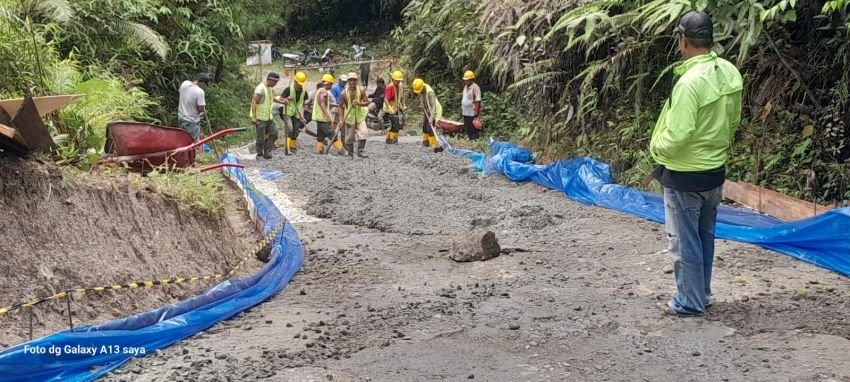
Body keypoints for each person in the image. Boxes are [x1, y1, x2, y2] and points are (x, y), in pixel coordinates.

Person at [649, 11, 743, 316]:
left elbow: (678, 134)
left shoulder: (690, 82)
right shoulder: (729, 72)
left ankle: (689, 301)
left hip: (684, 175)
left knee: (684, 241)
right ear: (711, 39)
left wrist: (656, 148)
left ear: (683, 40)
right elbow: (734, 120)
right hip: (714, 172)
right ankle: (701, 293)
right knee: (704, 238)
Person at [250, 72, 283, 159]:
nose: (276, 84)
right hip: (260, 117)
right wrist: (254, 116)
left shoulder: (269, 88)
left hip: (268, 117)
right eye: (275, 82)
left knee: (274, 133)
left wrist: (282, 102)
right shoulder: (260, 89)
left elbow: (272, 98)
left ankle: (267, 152)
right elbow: (254, 102)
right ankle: (259, 154)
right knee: (260, 137)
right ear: (270, 80)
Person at [338, 72, 370, 158]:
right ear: (348, 81)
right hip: (349, 117)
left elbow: (367, 102)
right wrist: (341, 120)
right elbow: (340, 107)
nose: (352, 82)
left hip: (360, 116)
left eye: (354, 80)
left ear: (357, 81)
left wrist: (359, 103)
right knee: (350, 137)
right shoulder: (343, 93)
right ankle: (350, 153)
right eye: (350, 80)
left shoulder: (361, 90)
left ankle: (360, 151)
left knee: (364, 132)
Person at [313, 74, 345, 155]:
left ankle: (320, 149)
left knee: (320, 134)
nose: (331, 86)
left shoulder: (319, 90)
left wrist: (335, 105)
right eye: (331, 84)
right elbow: (322, 104)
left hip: (318, 117)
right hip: (322, 117)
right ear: (327, 83)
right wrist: (328, 116)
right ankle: (341, 150)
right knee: (331, 133)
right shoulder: (323, 91)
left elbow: (325, 103)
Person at [277, 71, 308, 154]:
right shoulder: (288, 89)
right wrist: (286, 98)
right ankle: (287, 148)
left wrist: (302, 116)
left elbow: (302, 105)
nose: (300, 85)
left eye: (301, 83)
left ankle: (293, 147)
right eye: (299, 83)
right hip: (287, 112)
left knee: (295, 130)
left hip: (297, 114)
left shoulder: (304, 92)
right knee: (290, 129)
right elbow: (280, 99)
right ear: (295, 81)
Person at [412, 78, 443, 153]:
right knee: (425, 126)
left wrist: (431, 117)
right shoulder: (421, 89)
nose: (418, 92)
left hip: (434, 111)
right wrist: (422, 105)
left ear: (422, 87)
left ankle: (433, 145)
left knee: (430, 128)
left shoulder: (430, 92)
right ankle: (425, 142)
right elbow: (422, 98)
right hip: (427, 110)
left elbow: (433, 106)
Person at [177, 73, 210, 141]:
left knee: (183, 141)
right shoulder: (200, 92)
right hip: (191, 122)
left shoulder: (185, 83)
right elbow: (200, 108)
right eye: (204, 84)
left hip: (181, 118)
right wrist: (204, 112)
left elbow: (181, 94)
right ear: (202, 82)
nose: (204, 86)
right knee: (193, 143)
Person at [383, 70, 406, 144]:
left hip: (396, 106)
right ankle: (392, 140)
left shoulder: (399, 86)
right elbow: (386, 99)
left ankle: (390, 140)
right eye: (397, 81)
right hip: (389, 108)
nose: (398, 82)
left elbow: (401, 96)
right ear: (393, 79)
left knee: (395, 124)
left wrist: (403, 105)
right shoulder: (390, 87)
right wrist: (390, 108)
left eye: (399, 81)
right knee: (394, 125)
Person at [461, 70, 483, 140]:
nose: (465, 81)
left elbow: (477, 101)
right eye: (465, 80)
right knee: (467, 127)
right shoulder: (465, 87)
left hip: (472, 112)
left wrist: (476, 113)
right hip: (465, 111)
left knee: (473, 127)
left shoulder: (476, 88)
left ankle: (475, 140)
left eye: (467, 80)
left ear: (471, 80)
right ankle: (469, 139)